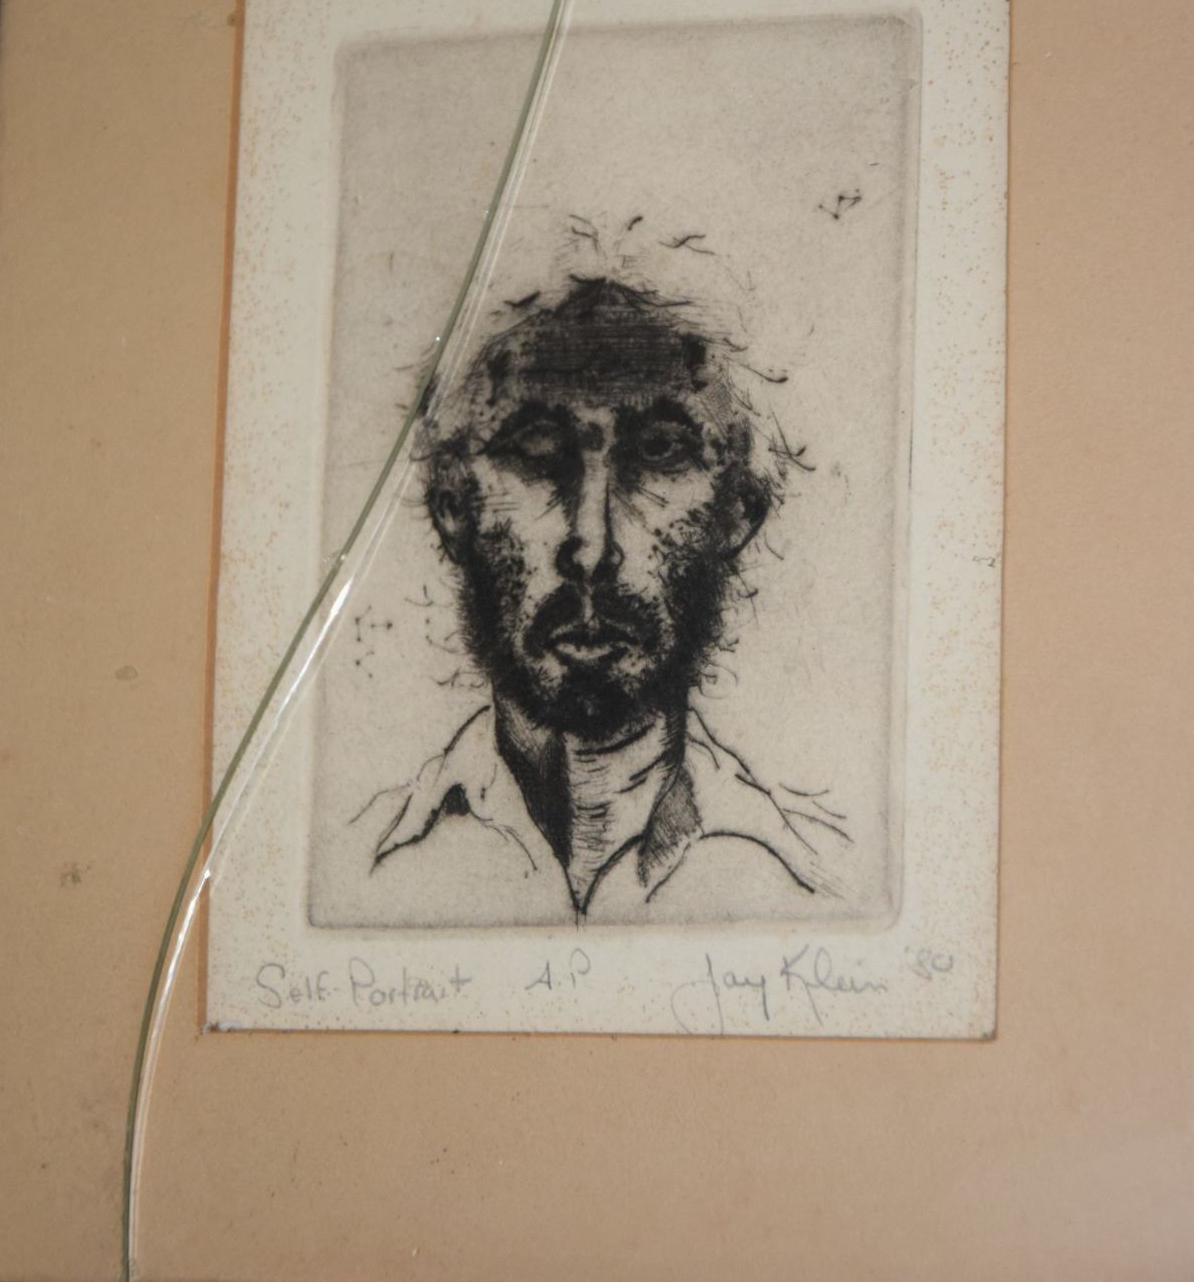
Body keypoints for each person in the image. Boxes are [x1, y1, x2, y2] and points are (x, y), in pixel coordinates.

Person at [353, 275, 849, 925]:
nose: (591, 548)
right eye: (535, 453)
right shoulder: (355, 863)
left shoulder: (817, 883)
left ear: (738, 512)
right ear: (453, 508)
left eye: (660, 452)